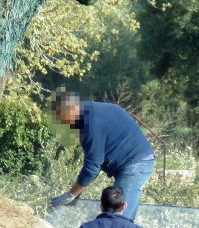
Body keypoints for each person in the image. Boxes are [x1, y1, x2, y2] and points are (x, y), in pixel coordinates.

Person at [49, 91, 154, 221]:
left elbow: (93, 164)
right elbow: (94, 162)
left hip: (136, 164)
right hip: (136, 162)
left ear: (71, 109)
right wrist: (77, 193)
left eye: (62, 117)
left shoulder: (91, 122)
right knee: (123, 221)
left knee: (117, 219)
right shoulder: (90, 113)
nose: (63, 122)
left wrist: (71, 194)